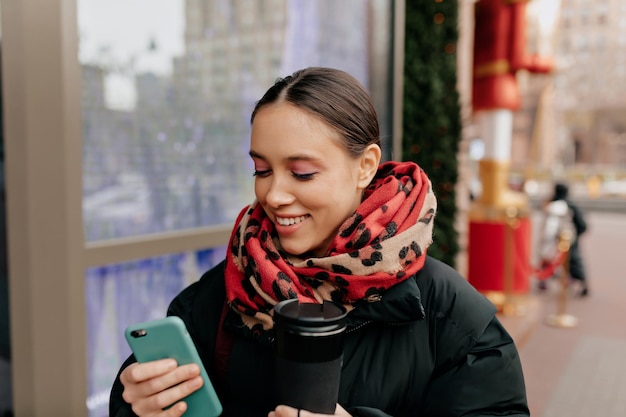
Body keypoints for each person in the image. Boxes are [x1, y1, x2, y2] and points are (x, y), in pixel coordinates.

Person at [109, 67, 529, 417]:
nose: (273, 195)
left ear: (365, 166)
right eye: (261, 170)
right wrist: (134, 403)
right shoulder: (223, 291)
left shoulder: (449, 313)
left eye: (303, 172)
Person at [537, 182, 589, 296]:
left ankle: (543, 281)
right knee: (574, 262)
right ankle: (582, 283)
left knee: (548, 259)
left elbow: (548, 227)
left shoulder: (550, 205)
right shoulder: (570, 205)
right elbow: (582, 225)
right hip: (569, 239)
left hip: (553, 240)